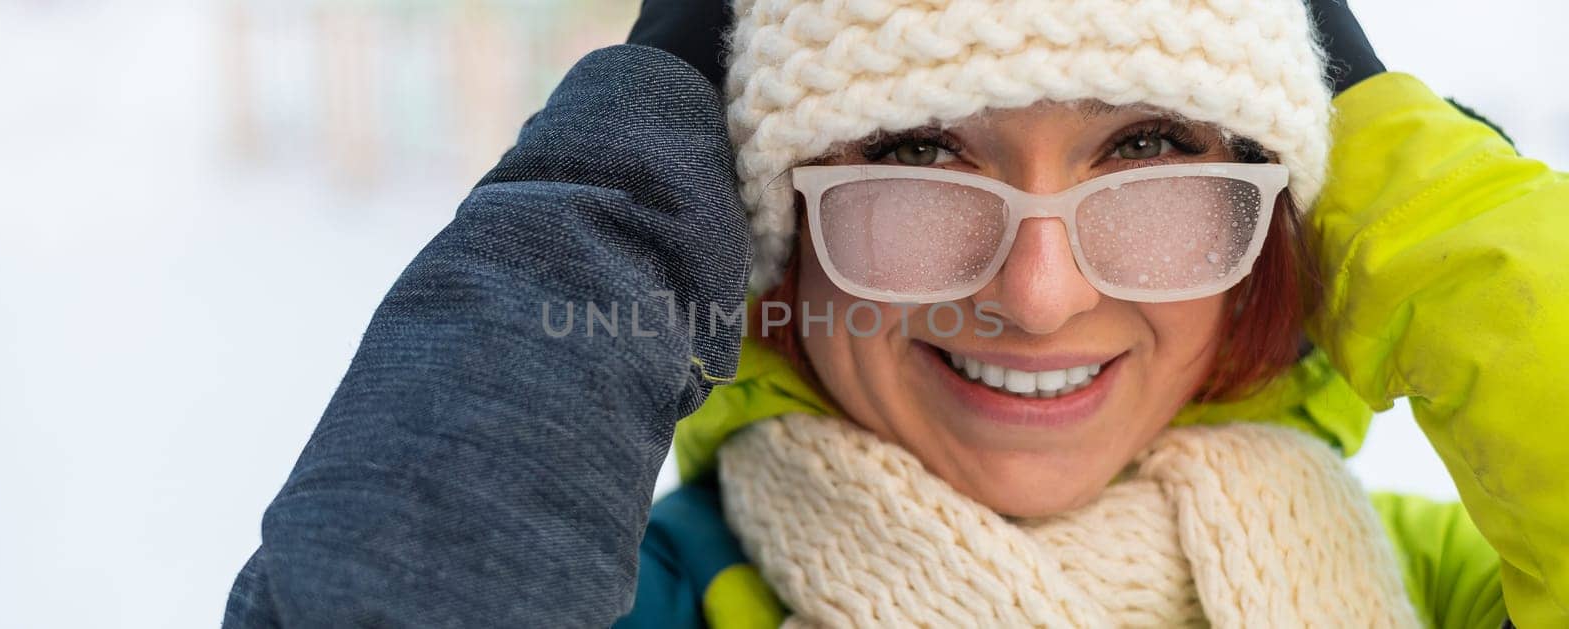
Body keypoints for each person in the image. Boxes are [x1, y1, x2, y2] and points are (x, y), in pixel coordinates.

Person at [224, 0, 1567, 627]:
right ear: (778, 237)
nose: (1039, 295)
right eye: (919, 162)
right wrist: (627, 185)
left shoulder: (1444, 588)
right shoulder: (649, 599)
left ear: (1270, 224)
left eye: (1152, 159)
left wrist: (1386, 149)